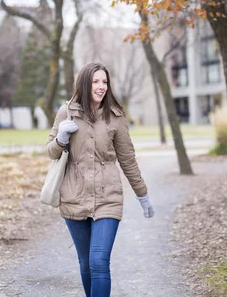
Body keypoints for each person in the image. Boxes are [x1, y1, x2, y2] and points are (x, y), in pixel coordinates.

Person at [45, 62, 155, 297]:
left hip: (108, 197)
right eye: (96, 81)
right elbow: (50, 152)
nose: (101, 86)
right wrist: (61, 137)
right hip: (74, 196)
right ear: (85, 83)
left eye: (104, 81)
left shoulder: (115, 116)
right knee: (85, 263)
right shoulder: (67, 112)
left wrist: (142, 194)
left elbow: (128, 160)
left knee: (99, 261)